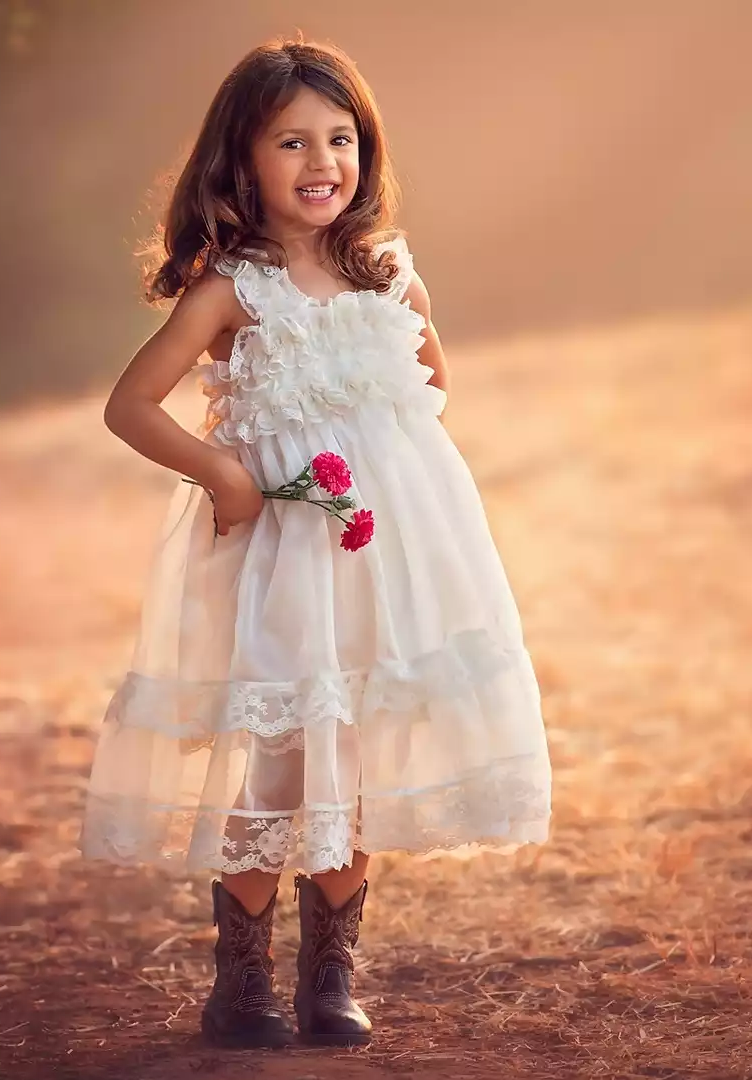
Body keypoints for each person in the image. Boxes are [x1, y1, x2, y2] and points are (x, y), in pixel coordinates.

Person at [77, 37, 552, 1050]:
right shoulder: (232, 292)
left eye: (339, 138)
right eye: (292, 141)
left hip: (387, 556)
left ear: (366, 153)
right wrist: (227, 471)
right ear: (242, 161)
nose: (320, 161)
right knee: (283, 754)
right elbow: (132, 406)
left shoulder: (391, 280)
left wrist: (391, 472)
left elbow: (432, 391)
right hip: (285, 558)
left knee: (359, 748)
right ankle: (241, 980)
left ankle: (330, 971)